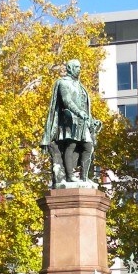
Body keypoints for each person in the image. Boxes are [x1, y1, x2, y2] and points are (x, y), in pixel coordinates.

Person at [41, 59, 102, 187]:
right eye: (77, 67)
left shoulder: (80, 85)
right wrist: (79, 113)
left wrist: (92, 120)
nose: (79, 70)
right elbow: (67, 101)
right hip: (69, 121)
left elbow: (84, 106)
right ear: (69, 68)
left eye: (80, 67)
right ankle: (70, 176)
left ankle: (84, 178)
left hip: (82, 122)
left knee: (88, 146)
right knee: (71, 145)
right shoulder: (63, 83)